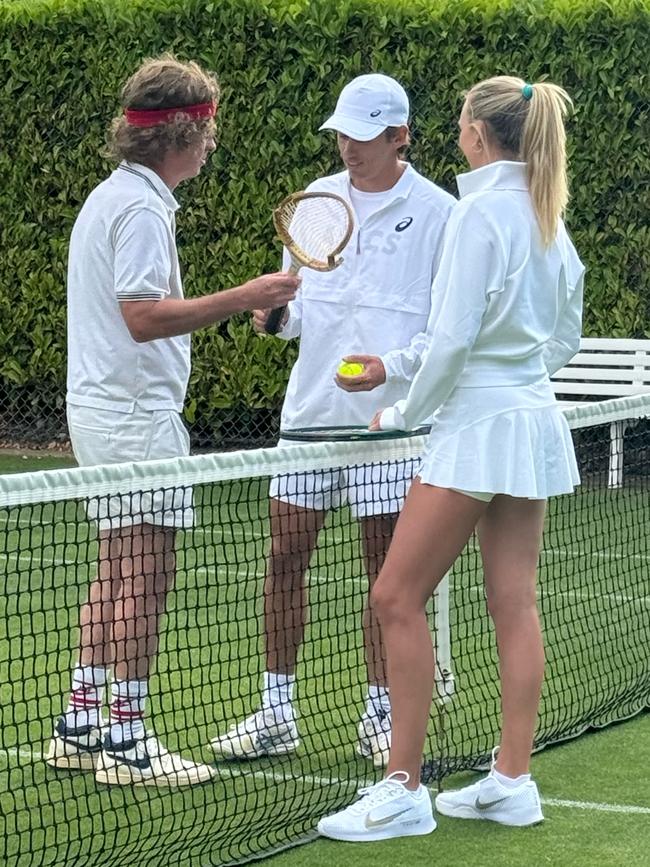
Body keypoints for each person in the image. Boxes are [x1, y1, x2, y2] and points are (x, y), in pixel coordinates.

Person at [317, 75, 584, 841]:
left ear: (476, 130)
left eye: (462, 118)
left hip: (477, 426)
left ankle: (401, 788)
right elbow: (559, 336)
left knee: (395, 595)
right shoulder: (545, 216)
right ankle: (512, 778)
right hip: (527, 419)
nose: (457, 127)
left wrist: (404, 411)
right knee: (515, 600)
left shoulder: (479, 214)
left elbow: (456, 340)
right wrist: (494, 377)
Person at [45, 55, 299, 787]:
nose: (212, 144)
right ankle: (126, 738)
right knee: (147, 573)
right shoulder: (143, 209)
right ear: (184, 133)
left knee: (117, 567)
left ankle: (80, 721)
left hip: (104, 407)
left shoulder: (113, 197)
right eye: (209, 128)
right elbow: (142, 316)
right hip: (132, 414)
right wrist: (243, 292)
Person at [211, 74, 455, 768]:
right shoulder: (317, 203)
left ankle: (379, 717)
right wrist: (278, 320)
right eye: (343, 133)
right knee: (284, 557)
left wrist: (391, 369)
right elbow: (299, 310)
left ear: (399, 135)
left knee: (386, 573)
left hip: (387, 427)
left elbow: (444, 330)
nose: (349, 146)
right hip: (309, 419)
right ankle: (275, 711)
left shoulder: (440, 213)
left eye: (364, 134)